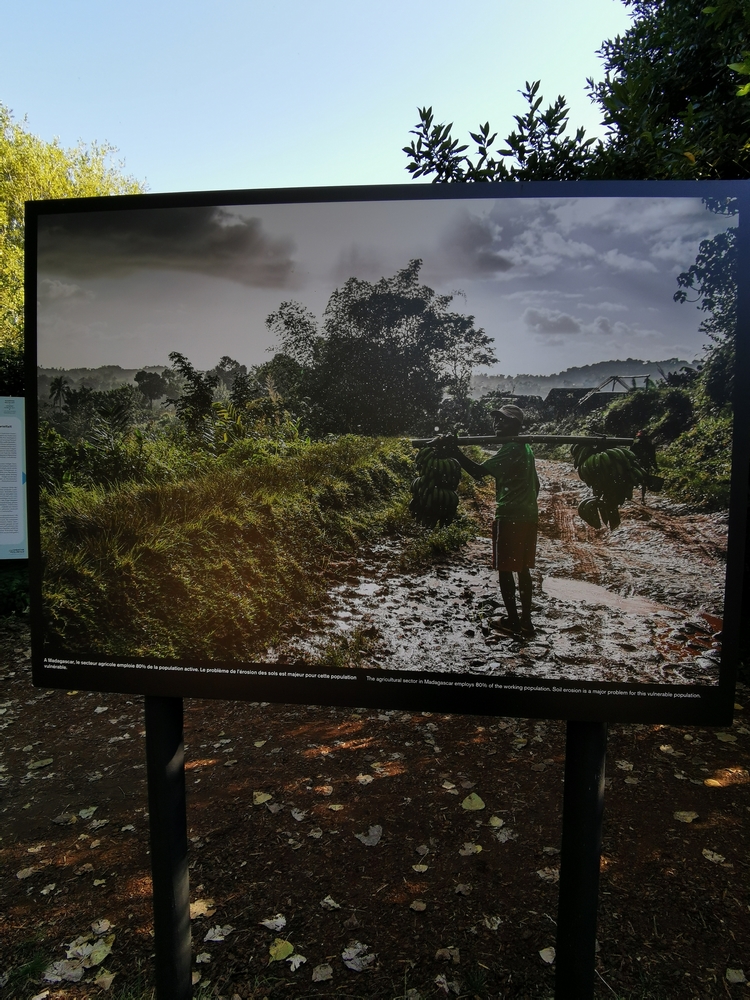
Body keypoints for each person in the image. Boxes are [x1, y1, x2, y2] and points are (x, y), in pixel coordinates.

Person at [445, 404, 540, 637]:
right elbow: (536, 484)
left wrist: (455, 452)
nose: (497, 424)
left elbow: (478, 473)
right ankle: (526, 622)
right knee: (523, 569)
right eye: (496, 419)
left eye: (503, 420)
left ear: (516, 425)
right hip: (529, 514)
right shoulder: (525, 447)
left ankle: (513, 622)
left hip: (510, 515)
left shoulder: (511, 448)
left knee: (506, 569)